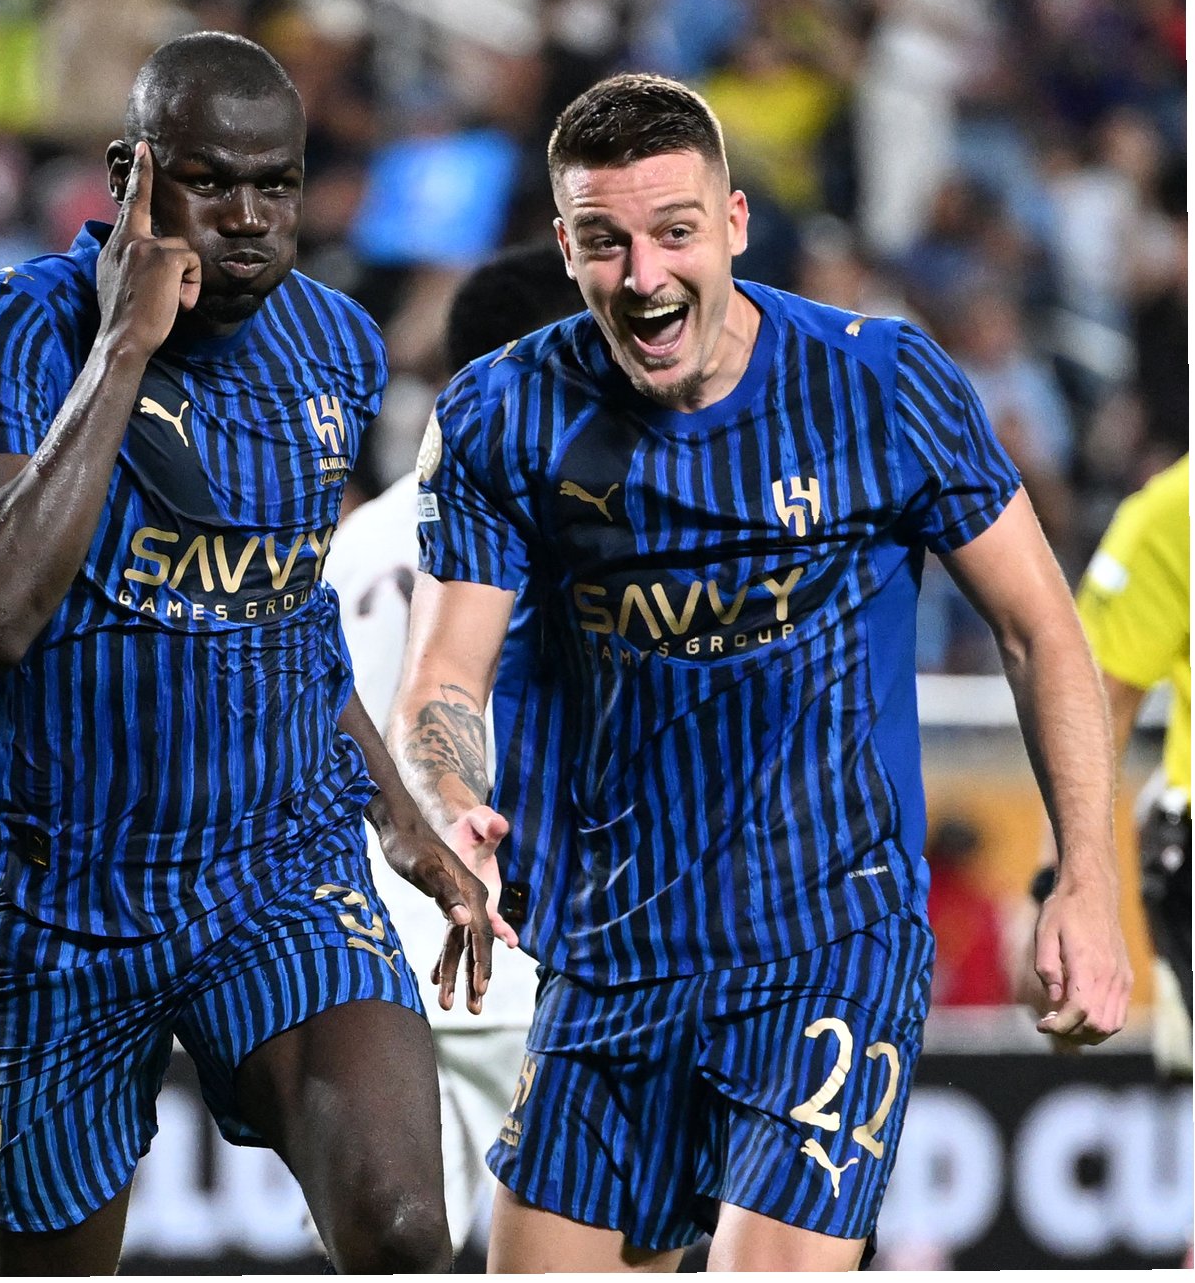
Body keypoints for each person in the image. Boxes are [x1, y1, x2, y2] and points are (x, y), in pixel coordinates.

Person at [390, 73, 1130, 1272]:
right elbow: (443, 673)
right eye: (605, 241)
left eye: (675, 231)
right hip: (608, 952)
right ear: (566, 247)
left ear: (734, 222)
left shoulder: (881, 383)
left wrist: (1087, 878)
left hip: (828, 938)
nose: (644, 276)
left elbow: (1041, 629)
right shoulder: (501, 413)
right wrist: (449, 806)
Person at [0, 31, 499, 1274]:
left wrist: (402, 822)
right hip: (67, 900)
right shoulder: (12, 327)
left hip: (278, 873)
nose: (247, 217)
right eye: (208, 180)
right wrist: (122, 347)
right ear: (128, 176)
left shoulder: (335, 344)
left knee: (406, 1230)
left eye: (275, 184)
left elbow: (289, 618)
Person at [323, 238, 582, 1253]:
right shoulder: (558, 529)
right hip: (532, 940)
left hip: (382, 948)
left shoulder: (359, 539)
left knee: (392, 1247)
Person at [1071, 454, 1189, 1072]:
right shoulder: (1174, 509)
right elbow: (1098, 705)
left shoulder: (1173, 506)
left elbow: (1098, 705)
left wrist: (1057, 882)